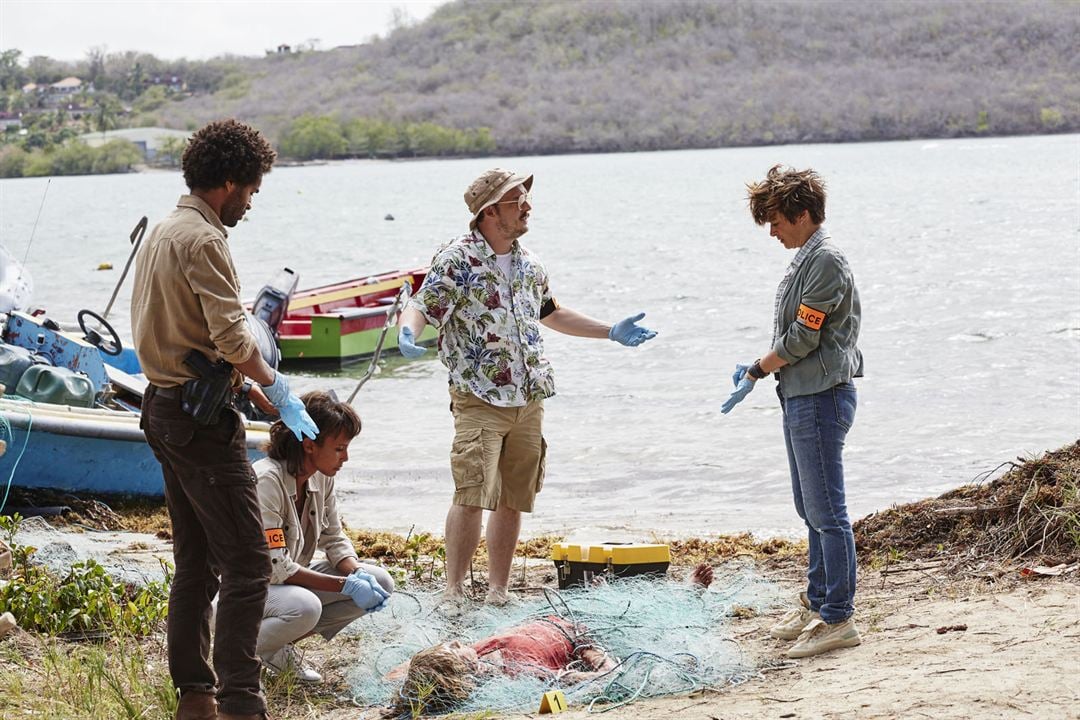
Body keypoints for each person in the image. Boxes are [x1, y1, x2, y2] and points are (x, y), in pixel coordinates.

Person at [396, 168, 657, 606]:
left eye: (525, 198)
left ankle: (499, 590)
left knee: (514, 497)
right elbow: (423, 305)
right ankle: (454, 592)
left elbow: (552, 313)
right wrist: (409, 330)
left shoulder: (529, 263)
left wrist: (610, 331)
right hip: (478, 395)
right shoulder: (458, 259)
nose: (528, 206)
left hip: (529, 396)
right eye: (519, 199)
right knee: (472, 493)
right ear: (490, 211)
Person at [132, 118, 319, 720]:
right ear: (230, 183)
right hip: (198, 420)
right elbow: (234, 337)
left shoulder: (164, 229)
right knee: (243, 562)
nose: (251, 203)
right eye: (252, 191)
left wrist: (262, 396)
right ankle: (242, 702)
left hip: (162, 407)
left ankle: (195, 695)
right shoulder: (205, 240)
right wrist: (274, 383)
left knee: (195, 559)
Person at [721, 164, 863, 659]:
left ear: (802, 214)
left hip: (822, 396)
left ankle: (839, 617)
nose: (773, 231)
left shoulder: (825, 261)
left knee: (828, 511)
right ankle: (818, 600)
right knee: (810, 507)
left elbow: (804, 337)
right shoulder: (805, 259)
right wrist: (764, 368)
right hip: (801, 394)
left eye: (777, 221)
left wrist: (759, 369)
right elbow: (797, 332)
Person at [383, 564, 714, 717]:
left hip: (551, 621)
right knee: (637, 624)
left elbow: (398, 673)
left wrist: (408, 686)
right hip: (583, 636)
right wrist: (595, 653)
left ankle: (603, 600)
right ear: (464, 670)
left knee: (606, 601)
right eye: (454, 648)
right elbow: (584, 678)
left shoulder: (478, 654)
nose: (456, 641)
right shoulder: (516, 671)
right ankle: (688, 596)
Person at [252, 390, 395, 684]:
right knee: (306, 606)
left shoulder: (321, 476)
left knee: (381, 580)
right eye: (340, 448)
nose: (346, 457)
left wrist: (356, 573)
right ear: (308, 446)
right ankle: (243, 650)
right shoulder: (266, 480)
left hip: (282, 588)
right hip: (246, 592)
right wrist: (346, 585)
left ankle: (276, 646)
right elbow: (277, 567)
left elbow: (334, 538)